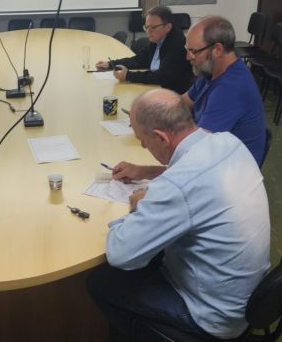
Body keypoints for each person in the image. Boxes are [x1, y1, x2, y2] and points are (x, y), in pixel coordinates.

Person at [86, 89, 270, 341]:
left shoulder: (177, 187)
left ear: (161, 137)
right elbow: (195, 179)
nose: (143, 146)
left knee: (100, 281)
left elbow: (120, 254)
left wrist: (139, 206)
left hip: (212, 316)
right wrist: (147, 172)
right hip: (245, 297)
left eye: (143, 140)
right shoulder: (229, 142)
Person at [182, 15, 266, 165]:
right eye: (187, 49)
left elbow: (199, 149)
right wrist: (151, 112)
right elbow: (183, 102)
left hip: (230, 170)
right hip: (214, 157)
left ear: (217, 50)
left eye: (193, 51)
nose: (188, 57)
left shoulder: (231, 88)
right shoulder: (210, 70)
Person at [95, 6, 193, 94]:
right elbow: (139, 60)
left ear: (168, 27)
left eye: (153, 27)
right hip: (157, 87)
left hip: (172, 93)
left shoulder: (177, 44)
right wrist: (111, 64)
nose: (148, 32)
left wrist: (128, 76)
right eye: (146, 27)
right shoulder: (157, 38)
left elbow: (162, 77)